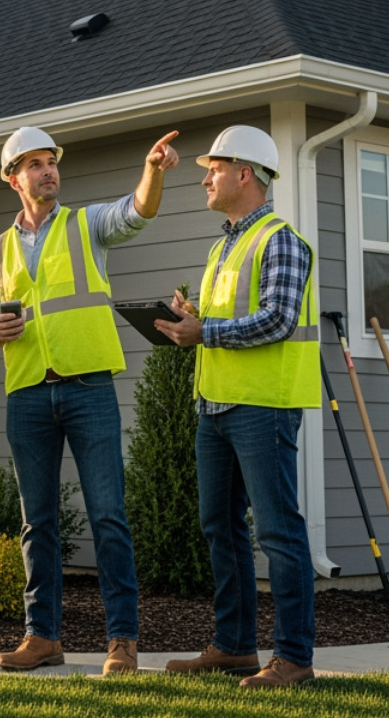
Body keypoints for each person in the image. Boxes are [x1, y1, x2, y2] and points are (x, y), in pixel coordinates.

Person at [0, 125, 180, 676]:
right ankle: (42, 637)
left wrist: (153, 171)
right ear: (12, 177)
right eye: (35, 164)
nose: (49, 171)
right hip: (27, 394)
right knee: (36, 522)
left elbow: (138, 211)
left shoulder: (85, 224)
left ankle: (122, 640)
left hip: (89, 388)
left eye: (52, 162)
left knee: (108, 515)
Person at [153, 125, 320, 689]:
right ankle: (234, 647)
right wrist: (193, 314)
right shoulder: (223, 244)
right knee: (219, 527)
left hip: (263, 406)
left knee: (278, 532)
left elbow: (276, 318)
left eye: (214, 168)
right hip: (216, 405)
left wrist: (205, 331)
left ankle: (294, 657)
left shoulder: (281, 240)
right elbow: (231, 314)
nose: (204, 178)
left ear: (244, 173)